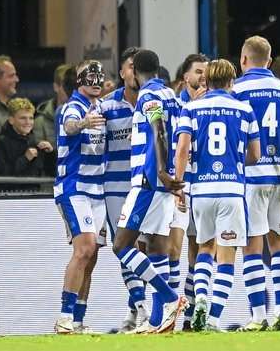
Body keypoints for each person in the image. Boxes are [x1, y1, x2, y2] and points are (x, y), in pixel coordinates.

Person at [174, 59, 261, 331]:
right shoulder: (245, 109)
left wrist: (178, 185)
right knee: (226, 256)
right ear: (232, 81)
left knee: (204, 249)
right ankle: (212, 319)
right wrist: (235, 160)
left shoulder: (190, 108)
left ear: (206, 81)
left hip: (201, 189)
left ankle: (199, 297)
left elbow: (182, 150)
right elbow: (255, 155)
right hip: (231, 189)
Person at [232, 36, 280, 331]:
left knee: (252, 247)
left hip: (251, 175)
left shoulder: (236, 89)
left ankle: (257, 316)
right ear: (269, 60)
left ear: (243, 60)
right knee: (279, 245)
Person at [111, 49, 187, 334]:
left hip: (148, 182)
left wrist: (161, 172)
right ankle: (158, 321)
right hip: (162, 185)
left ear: (133, 69)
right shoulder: (171, 95)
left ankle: (169, 297)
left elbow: (159, 129)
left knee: (121, 245)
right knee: (156, 248)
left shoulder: (149, 95)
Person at [54, 60, 108, 334]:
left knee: (93, 255)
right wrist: (84, 122)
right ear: (78, 80)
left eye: (99, 76)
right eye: (90, 76)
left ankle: (77, 319)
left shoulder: (101, 106)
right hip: (74, 187)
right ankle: (64, 317)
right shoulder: (72, 107)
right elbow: (71, 126)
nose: (96, 81)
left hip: (97, 190)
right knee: (84, 249)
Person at [98, 48, 147, 332]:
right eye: (131, 67)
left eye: (139, 67)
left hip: (145, 185)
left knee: (147, 248)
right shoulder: (106, 106)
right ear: (122, 72)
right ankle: (141, 306)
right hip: (115, 186)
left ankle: (134, 312)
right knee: (125, 247)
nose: (135, 72)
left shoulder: (153, 102)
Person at [170, 53, 208, 330]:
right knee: (174, 249)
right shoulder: (174, 104)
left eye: (205, 72)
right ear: (185, 77)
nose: (202, 77)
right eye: (197, 72)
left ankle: (190, 315)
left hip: (203, 185)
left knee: (197, 250)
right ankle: (168, 311)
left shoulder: (210, 105)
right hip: (179, 187)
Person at [0, 98, 54, 192]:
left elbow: (51, 172)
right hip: (8, 198)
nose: (28, 122)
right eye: (23, 118)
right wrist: (25, 159)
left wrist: (50, 153)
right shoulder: (1, 142)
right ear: (11, 120)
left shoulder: (35, 142)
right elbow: (2, 177)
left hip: (34, 197)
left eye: (31, 118)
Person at [32, 63, 72, 158]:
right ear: (56, 87)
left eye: (74, 85)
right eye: (66, 86)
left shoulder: (87, 115)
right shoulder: (40, 122)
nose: (71, 90)